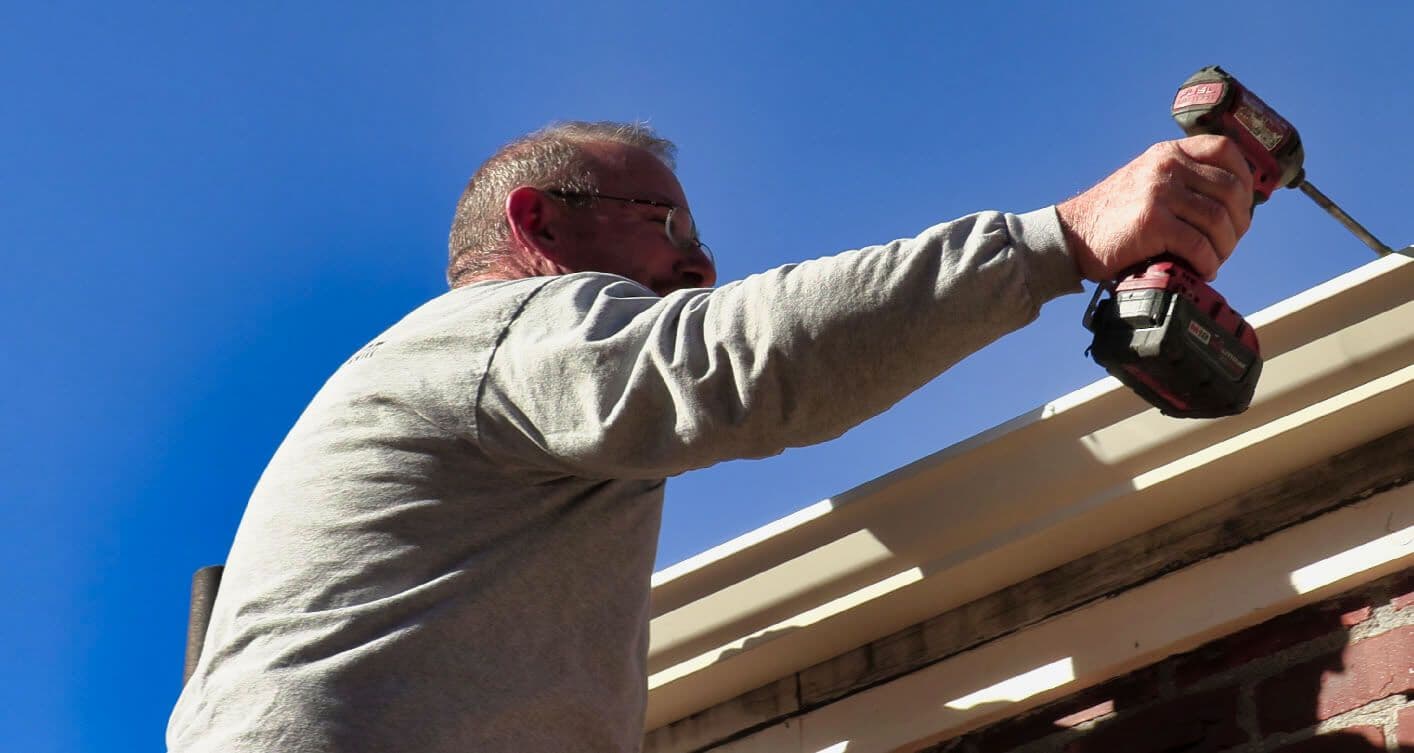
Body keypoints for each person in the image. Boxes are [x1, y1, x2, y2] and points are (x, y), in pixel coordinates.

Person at [167, 121, 1253, 752]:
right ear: (539, 224)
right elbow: (737, 360)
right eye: (668, 225)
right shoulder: (494, 331)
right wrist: (1056, 240)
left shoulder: (500, 416)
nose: (700, 267)